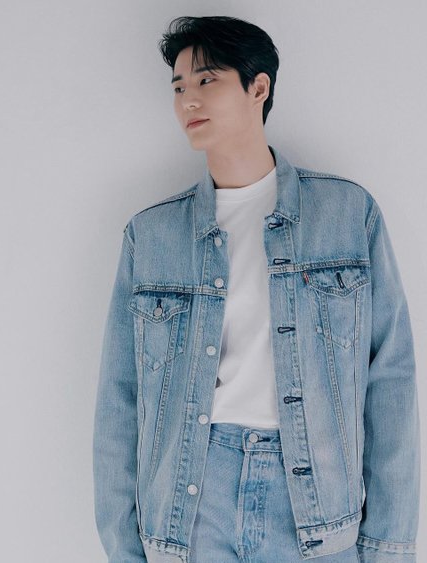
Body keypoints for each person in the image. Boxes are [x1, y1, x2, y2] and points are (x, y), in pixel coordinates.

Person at [93, 15, 420, 563]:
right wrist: (125, 549)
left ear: (258, 87)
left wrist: (387, 546)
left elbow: (391, 381)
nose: (188, 100)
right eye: (178, 87)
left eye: (206, 80)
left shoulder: (346, 214)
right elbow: (119, 402)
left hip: (316, 510)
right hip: (192, 506)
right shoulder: (151, 235)